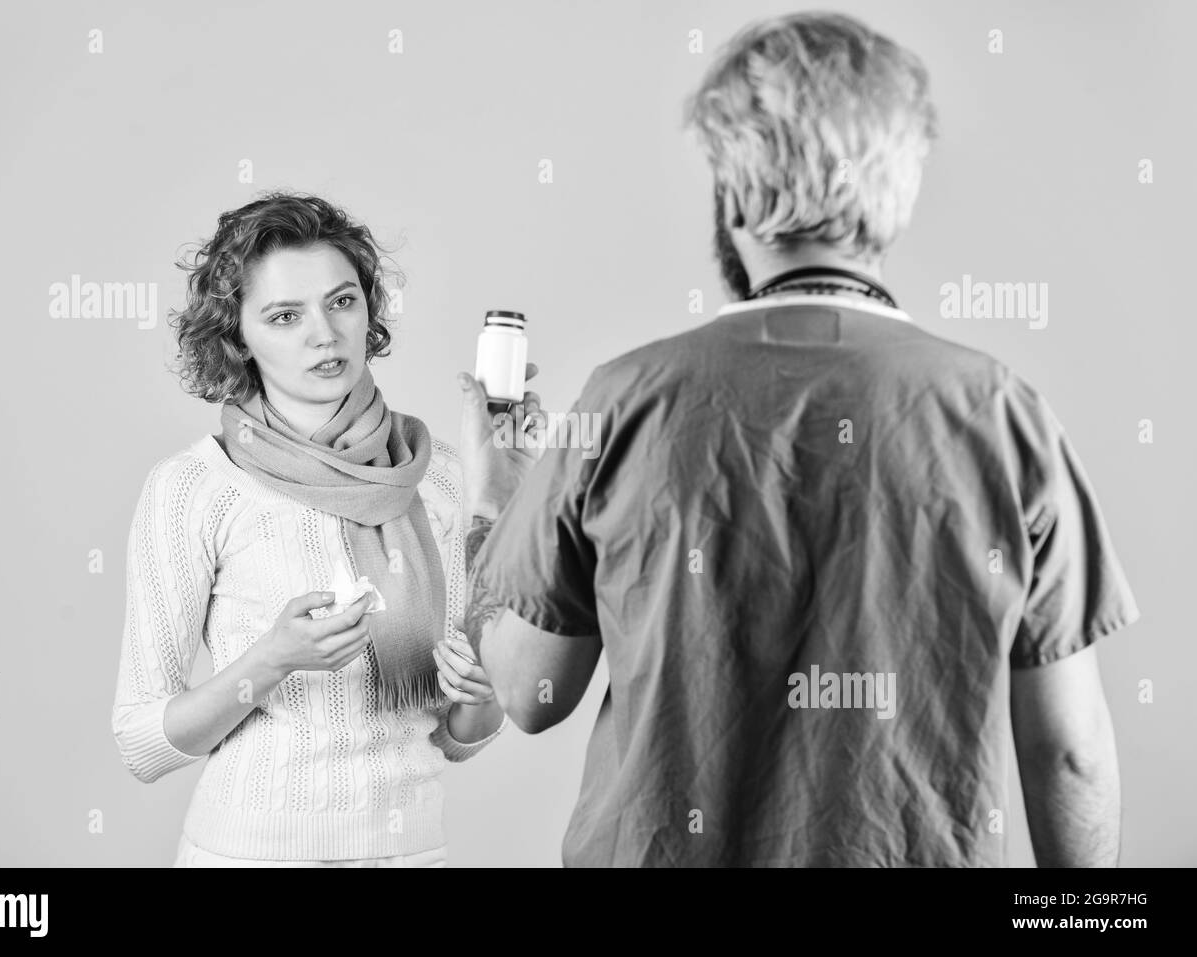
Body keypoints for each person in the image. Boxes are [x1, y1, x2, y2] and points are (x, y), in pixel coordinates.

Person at [459, 12, 1139, 867]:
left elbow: (528, 690)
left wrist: (492, 504)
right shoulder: (1006, 416)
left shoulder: (624, 401)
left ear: (734, 194)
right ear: (896, 193)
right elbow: (1070, 753)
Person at [111, 192, 522, 867]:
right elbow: (140, 742)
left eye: (342, 301)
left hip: (410, 849)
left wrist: (485, 697)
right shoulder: (195, 488)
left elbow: (456, 737)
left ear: (368, 309)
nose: (324, 334)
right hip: (249, 855)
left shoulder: (443, 477)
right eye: (284, 315)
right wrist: (273, 657)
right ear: (237, 333)